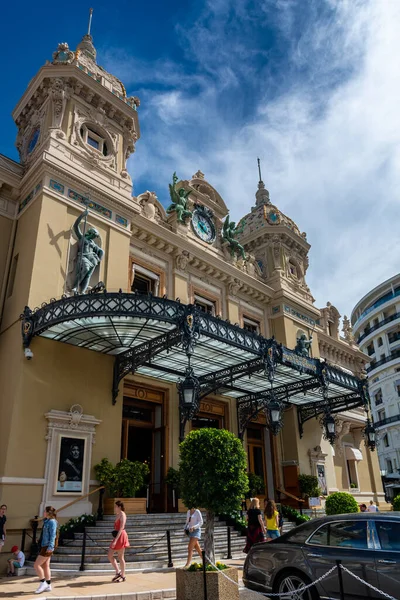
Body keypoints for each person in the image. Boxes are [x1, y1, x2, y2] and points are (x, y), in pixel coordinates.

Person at [34, 506, 58, 594]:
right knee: (45, 566)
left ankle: (43, 582)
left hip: (47, 546)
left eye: (44, 511)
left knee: (36, 565)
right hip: (45, 545)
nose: (43, 512)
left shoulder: (52, 522)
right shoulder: (47, 521)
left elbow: (53, 535)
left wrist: (50, 547)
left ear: (48, 512)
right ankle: (48, 584)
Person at [108, 501, 129, 583]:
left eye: (115, 506)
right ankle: (118, 572)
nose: (114, 508)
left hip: (121, 536)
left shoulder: (123, 514)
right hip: (117, 536)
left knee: (120, 557)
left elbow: (121, 528)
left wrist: (116, 540)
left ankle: (123, 576)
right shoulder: (117, 514)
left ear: (119, 507)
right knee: (110, 555)